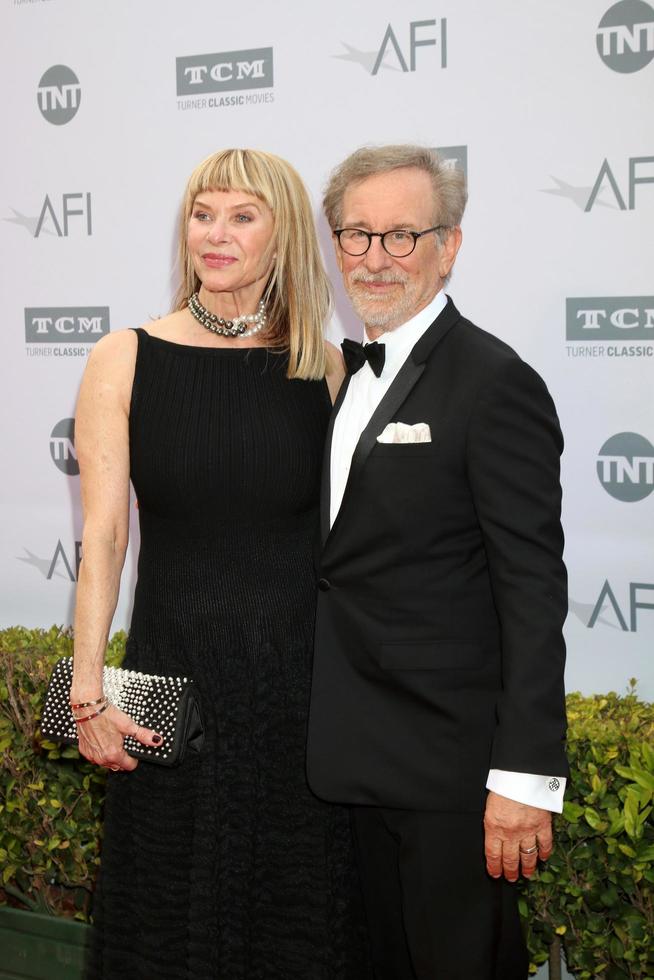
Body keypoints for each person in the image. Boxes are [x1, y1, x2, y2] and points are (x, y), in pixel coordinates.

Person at [71, 148, 370, 980]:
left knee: (295, 921)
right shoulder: (123, 357)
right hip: (177, 680)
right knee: (169, 917)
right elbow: (103, 536)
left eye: (243, 216)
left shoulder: (325, 367)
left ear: (283, 237)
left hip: (300, 691)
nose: (216, 233)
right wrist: (88, 687)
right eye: (204, 213)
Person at [306, 145, 569, 980]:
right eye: (356, 235)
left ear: (449, 246)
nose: (376, 259)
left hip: (452, 776)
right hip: (348, 764)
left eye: (403, 235)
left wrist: (525, 776)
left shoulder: (494, 383)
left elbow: (532, 588)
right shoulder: (338, 377)